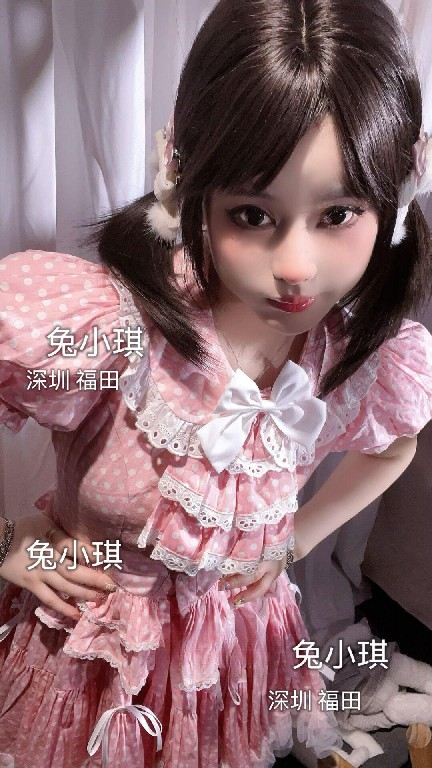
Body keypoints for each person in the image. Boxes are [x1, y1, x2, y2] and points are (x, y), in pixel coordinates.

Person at [0, 0, 432, 766]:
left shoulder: (357, 353)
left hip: (238, 666)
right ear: (188, 182)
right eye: (253, 214)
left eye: (338, 213)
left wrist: (295, 540)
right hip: (95, 671)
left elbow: (394, 445)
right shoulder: (108, 328)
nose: (296, 267)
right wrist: (8, 541)